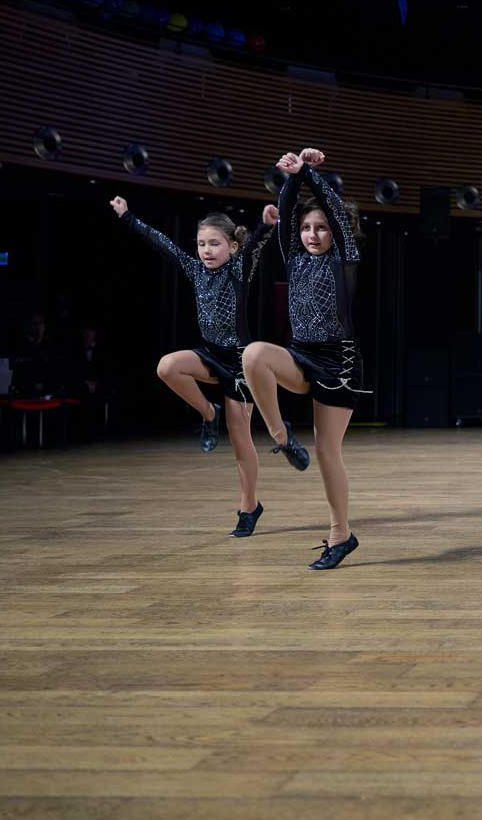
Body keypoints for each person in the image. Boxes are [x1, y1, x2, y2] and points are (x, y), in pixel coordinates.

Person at [113, 197, 277, 535]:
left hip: (240, 363)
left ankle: (249, 507)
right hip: (210, 354)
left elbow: (256, 247)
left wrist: (265, 225)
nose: (206, 250)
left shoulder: (238, 269)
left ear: (232, 247)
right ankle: (208, 413)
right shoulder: (195, 269)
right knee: (167, 367)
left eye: (214, 243)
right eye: (202, 243)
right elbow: (163, 244)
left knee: (240, 438)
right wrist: (127, 216)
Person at [240, 148, 366, 569]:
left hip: (339, 363)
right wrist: (292, 179)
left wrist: (310, 173)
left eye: (322, 228)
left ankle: (341, 535)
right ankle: (281, 438)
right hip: (301, 354)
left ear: (336, 232)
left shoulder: (345, 258)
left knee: (328, 452)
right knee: (254, 355)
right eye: (307, 228)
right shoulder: (293, 256)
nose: (313, 235)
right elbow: (288, 210)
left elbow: (334, 210)